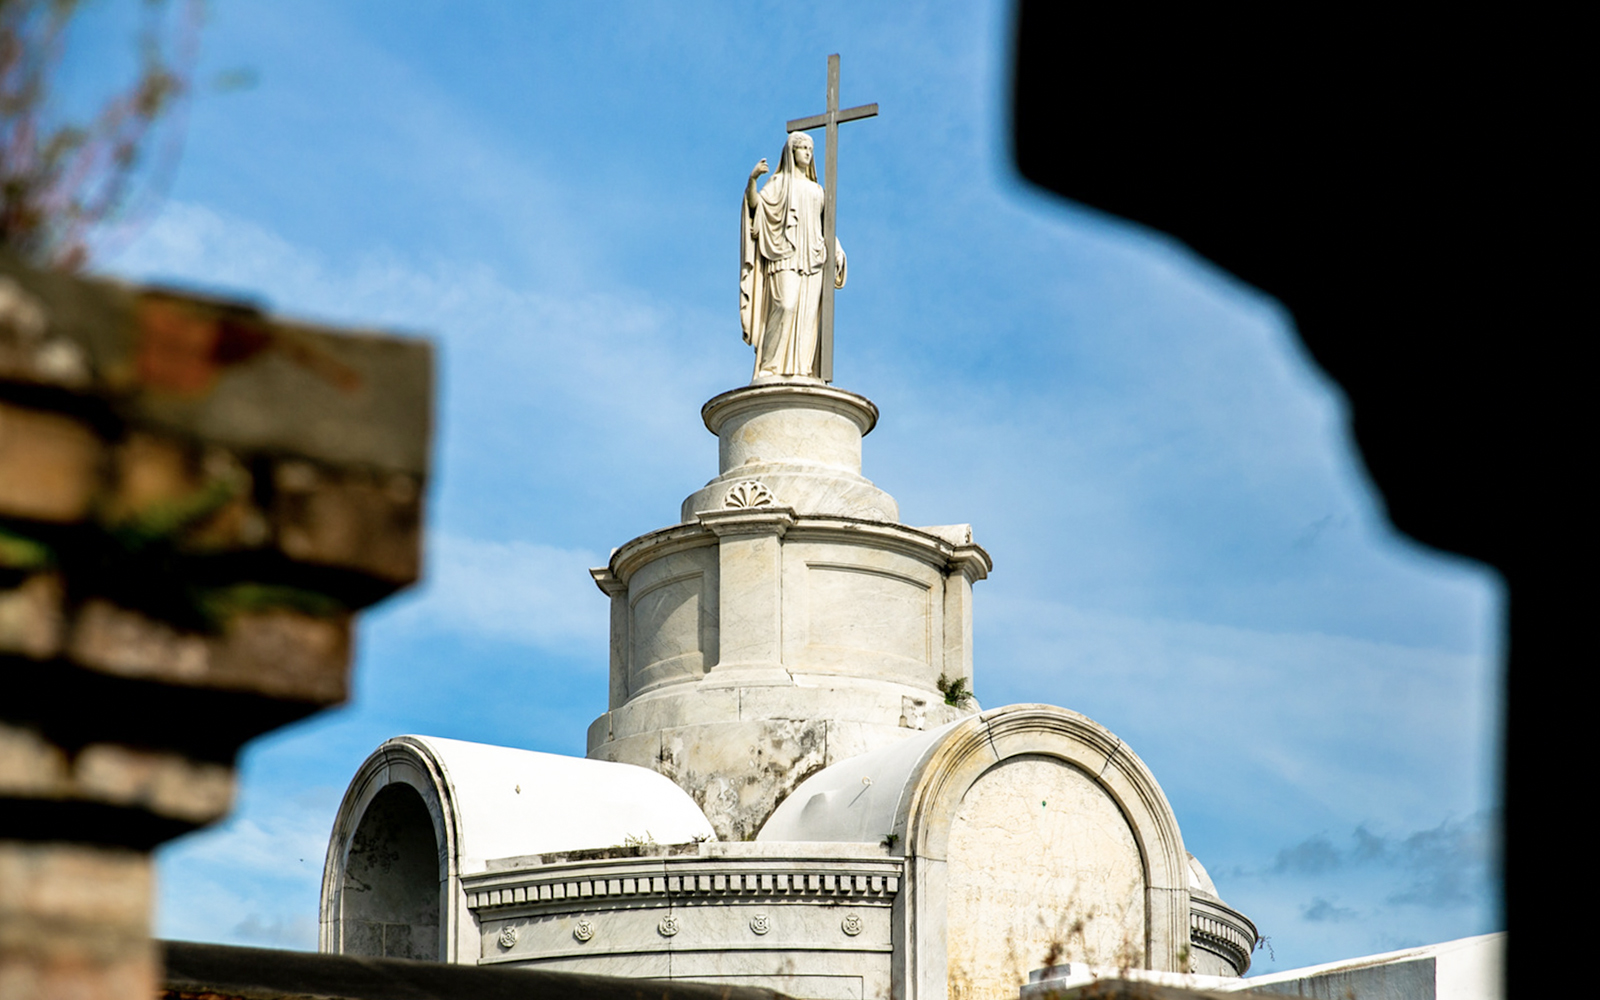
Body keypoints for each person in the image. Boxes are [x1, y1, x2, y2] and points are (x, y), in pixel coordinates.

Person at [739, 131, 846, 380]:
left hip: (814, 258)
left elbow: (825, 227)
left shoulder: (817, 190)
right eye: (802, 148)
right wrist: (752, 181)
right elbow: (757, 208)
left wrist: (837, 248)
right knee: (785, 305)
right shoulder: (779, 183)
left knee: (808, 316)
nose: (808, 153)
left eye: (810, 149)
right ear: (791, 152)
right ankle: (771, 366)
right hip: (785, 254)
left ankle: (802, 369)